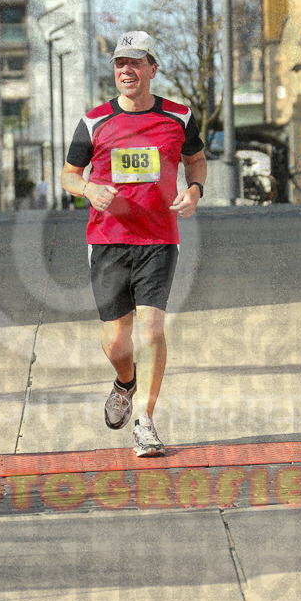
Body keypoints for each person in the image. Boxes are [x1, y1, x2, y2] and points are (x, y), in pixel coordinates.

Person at [60, 30, 207, 457]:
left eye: (136, 62)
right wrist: (88, 190)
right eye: (120, 64)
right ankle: (126, 381)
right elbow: (69, 174)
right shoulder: (94, 120)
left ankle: (145, 421)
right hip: (108, 240)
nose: (127, 70)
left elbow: (196, 159)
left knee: (152, 328)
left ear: (152, 69)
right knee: (117, 342)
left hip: (159, 238)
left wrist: (194, 190)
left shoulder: (179, 116)